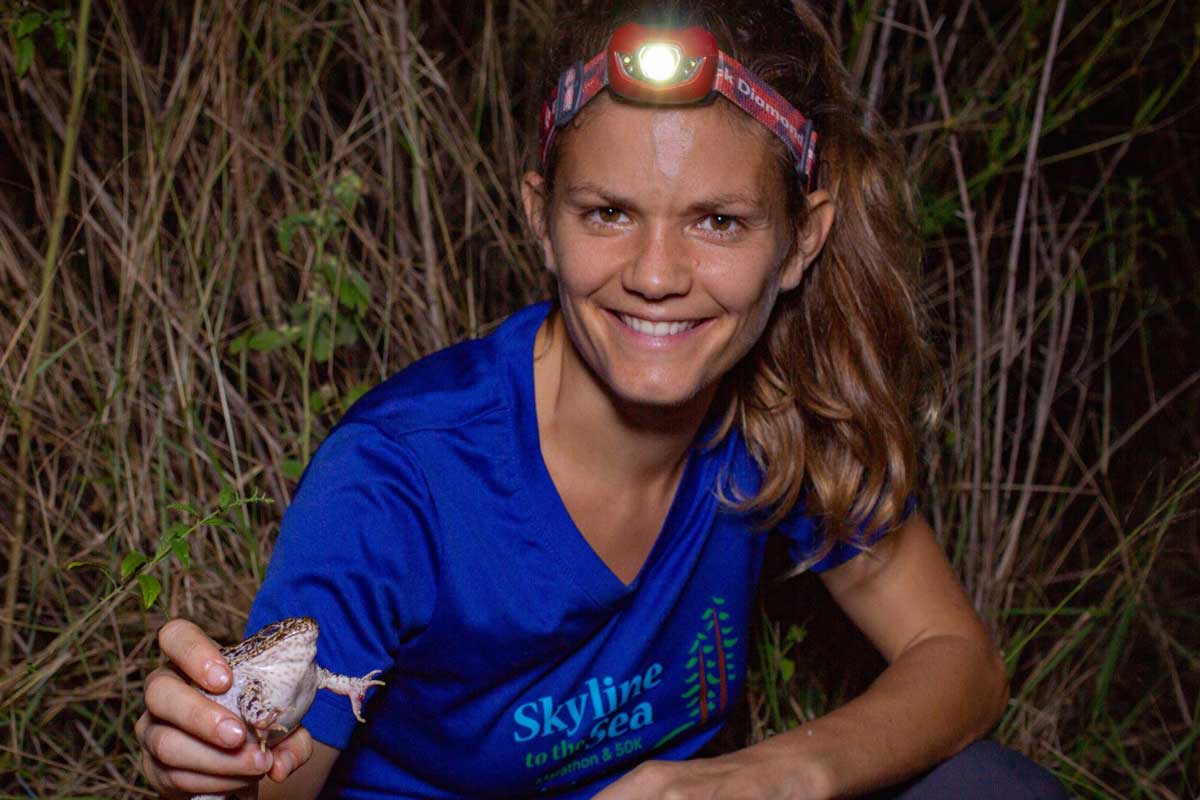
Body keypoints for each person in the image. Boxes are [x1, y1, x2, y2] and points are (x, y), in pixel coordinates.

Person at [136, 2, 1068, 798]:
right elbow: (282, 765)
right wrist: (224, 761)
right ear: (541, 217)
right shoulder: (402, 476)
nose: (656, 275)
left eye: (719, 221)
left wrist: (776, 773)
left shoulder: (779, 412)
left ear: (800, 242)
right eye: (608, 213)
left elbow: (960, 659)